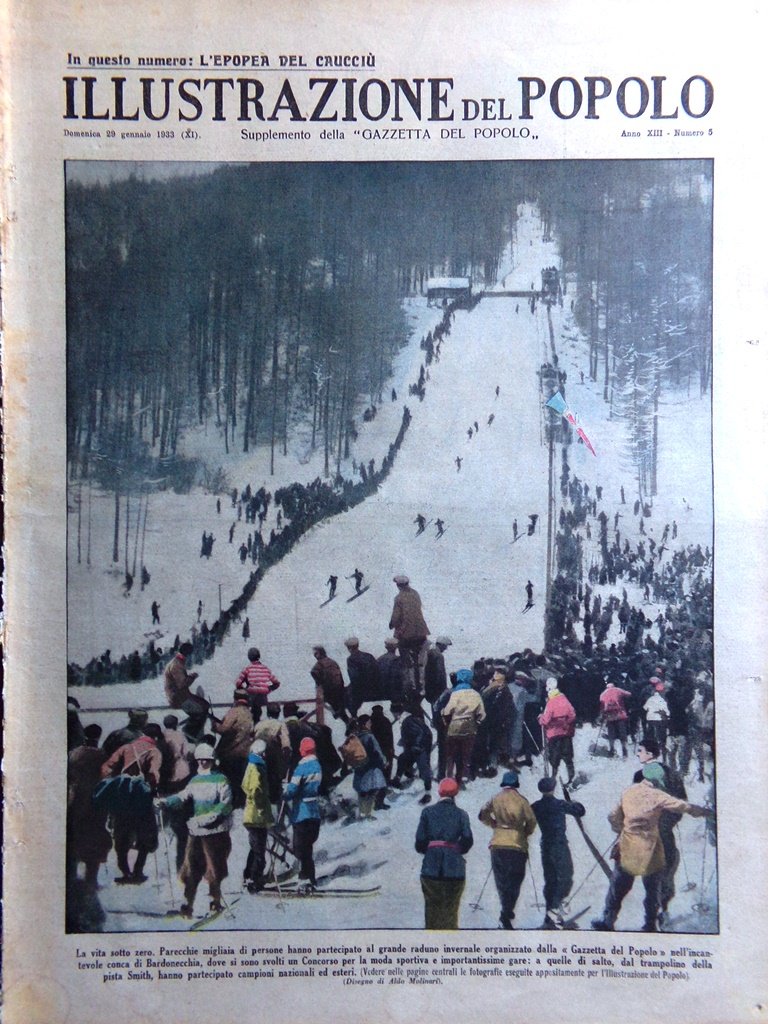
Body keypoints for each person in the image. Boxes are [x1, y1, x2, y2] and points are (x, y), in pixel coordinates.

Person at [592, 762, 712, 932]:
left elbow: (612, 816)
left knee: (618, 887)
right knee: (652, 890)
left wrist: (622, 829)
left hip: (627, 848)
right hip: (650, 851)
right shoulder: (657, 795)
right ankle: (650, 924)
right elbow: (683, 806)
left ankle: (608, 920)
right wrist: (705, 812)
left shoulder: (628, 792)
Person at [157, 743, 234, 917]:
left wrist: (211, 818)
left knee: (214, 869)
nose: (203, 764)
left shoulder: (221, 779)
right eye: (200, 761)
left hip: (215, 831)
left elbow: (226, 804)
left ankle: (214, 901)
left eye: (206, 761)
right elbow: (184, 796)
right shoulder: (196, 780)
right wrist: (166, 801)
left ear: (213, 761)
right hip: (197, 830)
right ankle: (187, 905)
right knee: (191, 868)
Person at [100, 724, 163, 884]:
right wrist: (154, 789)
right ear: (155, 738)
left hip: (123, 795)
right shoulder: (154, 751)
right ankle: (138, 872)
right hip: (141, 797)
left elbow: (107, 767)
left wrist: (113, 780)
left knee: (121, 832)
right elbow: (153, 775)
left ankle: (124, 871)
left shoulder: (126, 747)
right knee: (145, 834)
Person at [478, 770, 538, 929]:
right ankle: (507, 911)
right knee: (515, 879)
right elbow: (531, 821)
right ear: (516, 784)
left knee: (501, 879)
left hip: (498, 842)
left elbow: (482, 814)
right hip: (517, 844)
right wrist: (525, 833)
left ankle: (506, 909)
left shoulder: (495, 798)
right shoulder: (522, 801)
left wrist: (494, 825)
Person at [415, 777, 473, 928]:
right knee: (450, 912)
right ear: (455, 794)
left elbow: (419, 843)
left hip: (431, 868)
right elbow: (467, 841)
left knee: (432, 910)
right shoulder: (462, 815)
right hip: (454, 869)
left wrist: (432, 848)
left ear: (439, 793)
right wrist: (454, 850)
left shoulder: (427, 812)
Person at [531, 777, 585, 928]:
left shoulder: (535, 806)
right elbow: (580, 811)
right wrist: (572, 801)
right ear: (553, 789)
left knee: (551, 881)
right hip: (559, 845)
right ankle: (553, 911)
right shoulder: (559, 804)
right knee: (566, 877)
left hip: (545, 846)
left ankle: (550, 916)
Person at [67, 724, 111, 887]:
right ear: (98, 737)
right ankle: (91, 879)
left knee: (75, 837)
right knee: (95, 838)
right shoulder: (102, 755)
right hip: (96, 801)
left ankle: (71, 877)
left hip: (76, 800)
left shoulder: (74, 754)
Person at [283, 737, 323, 893]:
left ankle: (304, 878)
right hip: (314, 810)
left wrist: (284, 793)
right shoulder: (317, 766)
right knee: (308, 847)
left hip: (301, 812)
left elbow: (292, 791)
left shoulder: (301, 768)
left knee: (301, 848)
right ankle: (310, 877)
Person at [241, 738, 275, 893]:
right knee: (259, 850)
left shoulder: (251, 765)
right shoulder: (257, 767)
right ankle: (255, 879)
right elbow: (255, 789)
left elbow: (244, 785)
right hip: (257, 815)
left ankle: (248, 875)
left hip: (251, 814)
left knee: (255, 847)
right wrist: (261, 803)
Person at [211, 689, 254, 808]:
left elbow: (223, 729)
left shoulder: (234, 712)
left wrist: (214, 725)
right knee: (241, 782)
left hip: (230, 753)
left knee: (229, 782)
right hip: (244, 753)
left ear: (235, 698)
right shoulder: (249, 713)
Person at [442, 668, 486, 783]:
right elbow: (482, 714)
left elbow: (447, 711)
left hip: (454, 727)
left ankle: (449, 776)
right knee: (466, 753)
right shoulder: (475, 694)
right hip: (470, 727)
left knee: (451, 754)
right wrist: (477, 723)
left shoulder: (455, 694)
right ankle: (464, 775)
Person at [389, 575, 430, 697]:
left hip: (406, 635)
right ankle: (422, 686)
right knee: (420, 661)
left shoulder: (399, 598)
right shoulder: (415, 593)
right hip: (421, 632)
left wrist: (391, 624)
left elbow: (396, 617)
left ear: (399, 586)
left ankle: (411, 687)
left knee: (407, 662)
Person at [345, 716, 389, 818]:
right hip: (371, 769)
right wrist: (384, 762)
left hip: (360, 768)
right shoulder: (370, 737)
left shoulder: (356, 737)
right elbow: (377, 752)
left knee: (362, 792)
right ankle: (368, 814)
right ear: (364, 724)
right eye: (369, 723)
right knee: (372, 791)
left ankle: (362, 812)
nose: (371, 724)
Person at [391, 703, 433, 804]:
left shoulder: (407, 721)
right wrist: (404, 740)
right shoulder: (408, 719)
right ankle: (397, 780)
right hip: (416, 745)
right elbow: (412, 733)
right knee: (402, 758)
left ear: (396, 713)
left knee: (424, 768)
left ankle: (428, 793)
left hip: (419, 747)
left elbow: (420, 732)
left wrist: (417, 745)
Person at [538, 678, 576, 783]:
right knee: (568, 756)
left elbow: (545, 720)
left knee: (554, 757)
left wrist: (540, 718)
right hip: (565, 733)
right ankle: (571, 776)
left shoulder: (550, 703)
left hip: (553, 734)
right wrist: (565, 723)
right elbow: (572, 715)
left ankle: (553, 776)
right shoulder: (565, 699)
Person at [311, 645, 349, 721]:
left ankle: (337, 713)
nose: (315, 656)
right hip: (340, 690)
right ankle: (346, 720)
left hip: (329, 692)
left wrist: (319, 685)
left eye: (316, 654)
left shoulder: (318, 665)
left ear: (321, 653)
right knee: (341, 711)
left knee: (324, 702)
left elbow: (313, 673)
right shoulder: (333, 662)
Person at [344, 637, 380, 715]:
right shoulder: (368, 656)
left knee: (344, 695)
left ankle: (353, 717)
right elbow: (377, 671)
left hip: (362, 689)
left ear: (349, 648)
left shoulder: (351, 659)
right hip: (374, 687)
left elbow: (354, 678)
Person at [599, 678, 632, 758]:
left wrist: (603, 716)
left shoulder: (603, 694)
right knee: (622, 734)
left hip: (610, 717)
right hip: (620, 715)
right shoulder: (618, 690)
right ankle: (624, 751)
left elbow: (602, 707)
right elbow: (629, 694)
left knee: (611, 734)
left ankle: (611, 750)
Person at [164, 643, 199, 710]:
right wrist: (192, 677)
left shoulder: (178, 662)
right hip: (176, 698)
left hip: (179, 695)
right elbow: (182, 684)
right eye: (190, 654)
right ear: (187, 654)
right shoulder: (177, 665)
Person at [643, 679, 670, 758]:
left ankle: (651, 749)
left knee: (651, 734)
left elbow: (645, 708)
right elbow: (667, 712)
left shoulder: (650, 698)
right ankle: (663, 748)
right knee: (662, 735)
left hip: (650, 719)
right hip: (661, 720)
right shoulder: (663, 700)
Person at [377, 637, 407, 704]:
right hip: (395, 693)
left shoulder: (380, 659)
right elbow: (400, 678)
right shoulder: (398, 660)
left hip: (382, 692)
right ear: (396, 647)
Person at [424, 636, 452, 704]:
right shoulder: (439, 656)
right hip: (437, 690)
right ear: (441, 645)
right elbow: (440, 673)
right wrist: (444, 688)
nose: (446, 648)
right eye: (445, 646)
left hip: (428, 687)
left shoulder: (428, 652)